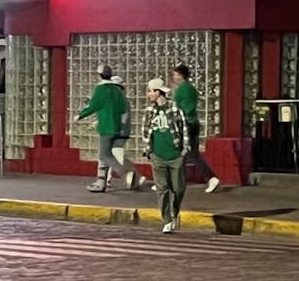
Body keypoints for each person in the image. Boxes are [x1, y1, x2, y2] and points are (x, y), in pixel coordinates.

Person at [75, 65, 142, 193]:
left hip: (106, 127)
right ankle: (102, 182)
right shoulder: (118, 92)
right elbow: (122, 109)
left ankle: (124, 173)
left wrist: (80, 116)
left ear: (99, 75)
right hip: (118, 129)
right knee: (110, 155)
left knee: (104, 156)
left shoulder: (101, 89)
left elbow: (93, 105)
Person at [143, 77, 189, 233]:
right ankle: (167, 220)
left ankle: (174, 213)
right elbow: (145, 132)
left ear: (158, 92)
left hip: (175, 156)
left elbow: (184, 130)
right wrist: (150, 151)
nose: (149, 94)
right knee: (162, 189)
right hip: (158, 156)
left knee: (178, 189)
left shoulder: (175, 109)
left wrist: (184, 151)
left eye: (150, 91)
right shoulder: (149, 112)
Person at [171, 65, 221, 193]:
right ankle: (178, 181)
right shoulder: (191, 89)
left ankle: (176, 182)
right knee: (190, 153)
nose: (174, 77)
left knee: (181, 152)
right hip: (194, 122)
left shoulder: (182, 89)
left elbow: (182, 108)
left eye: (176, 75)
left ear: (182, 76)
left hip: (186, 123)